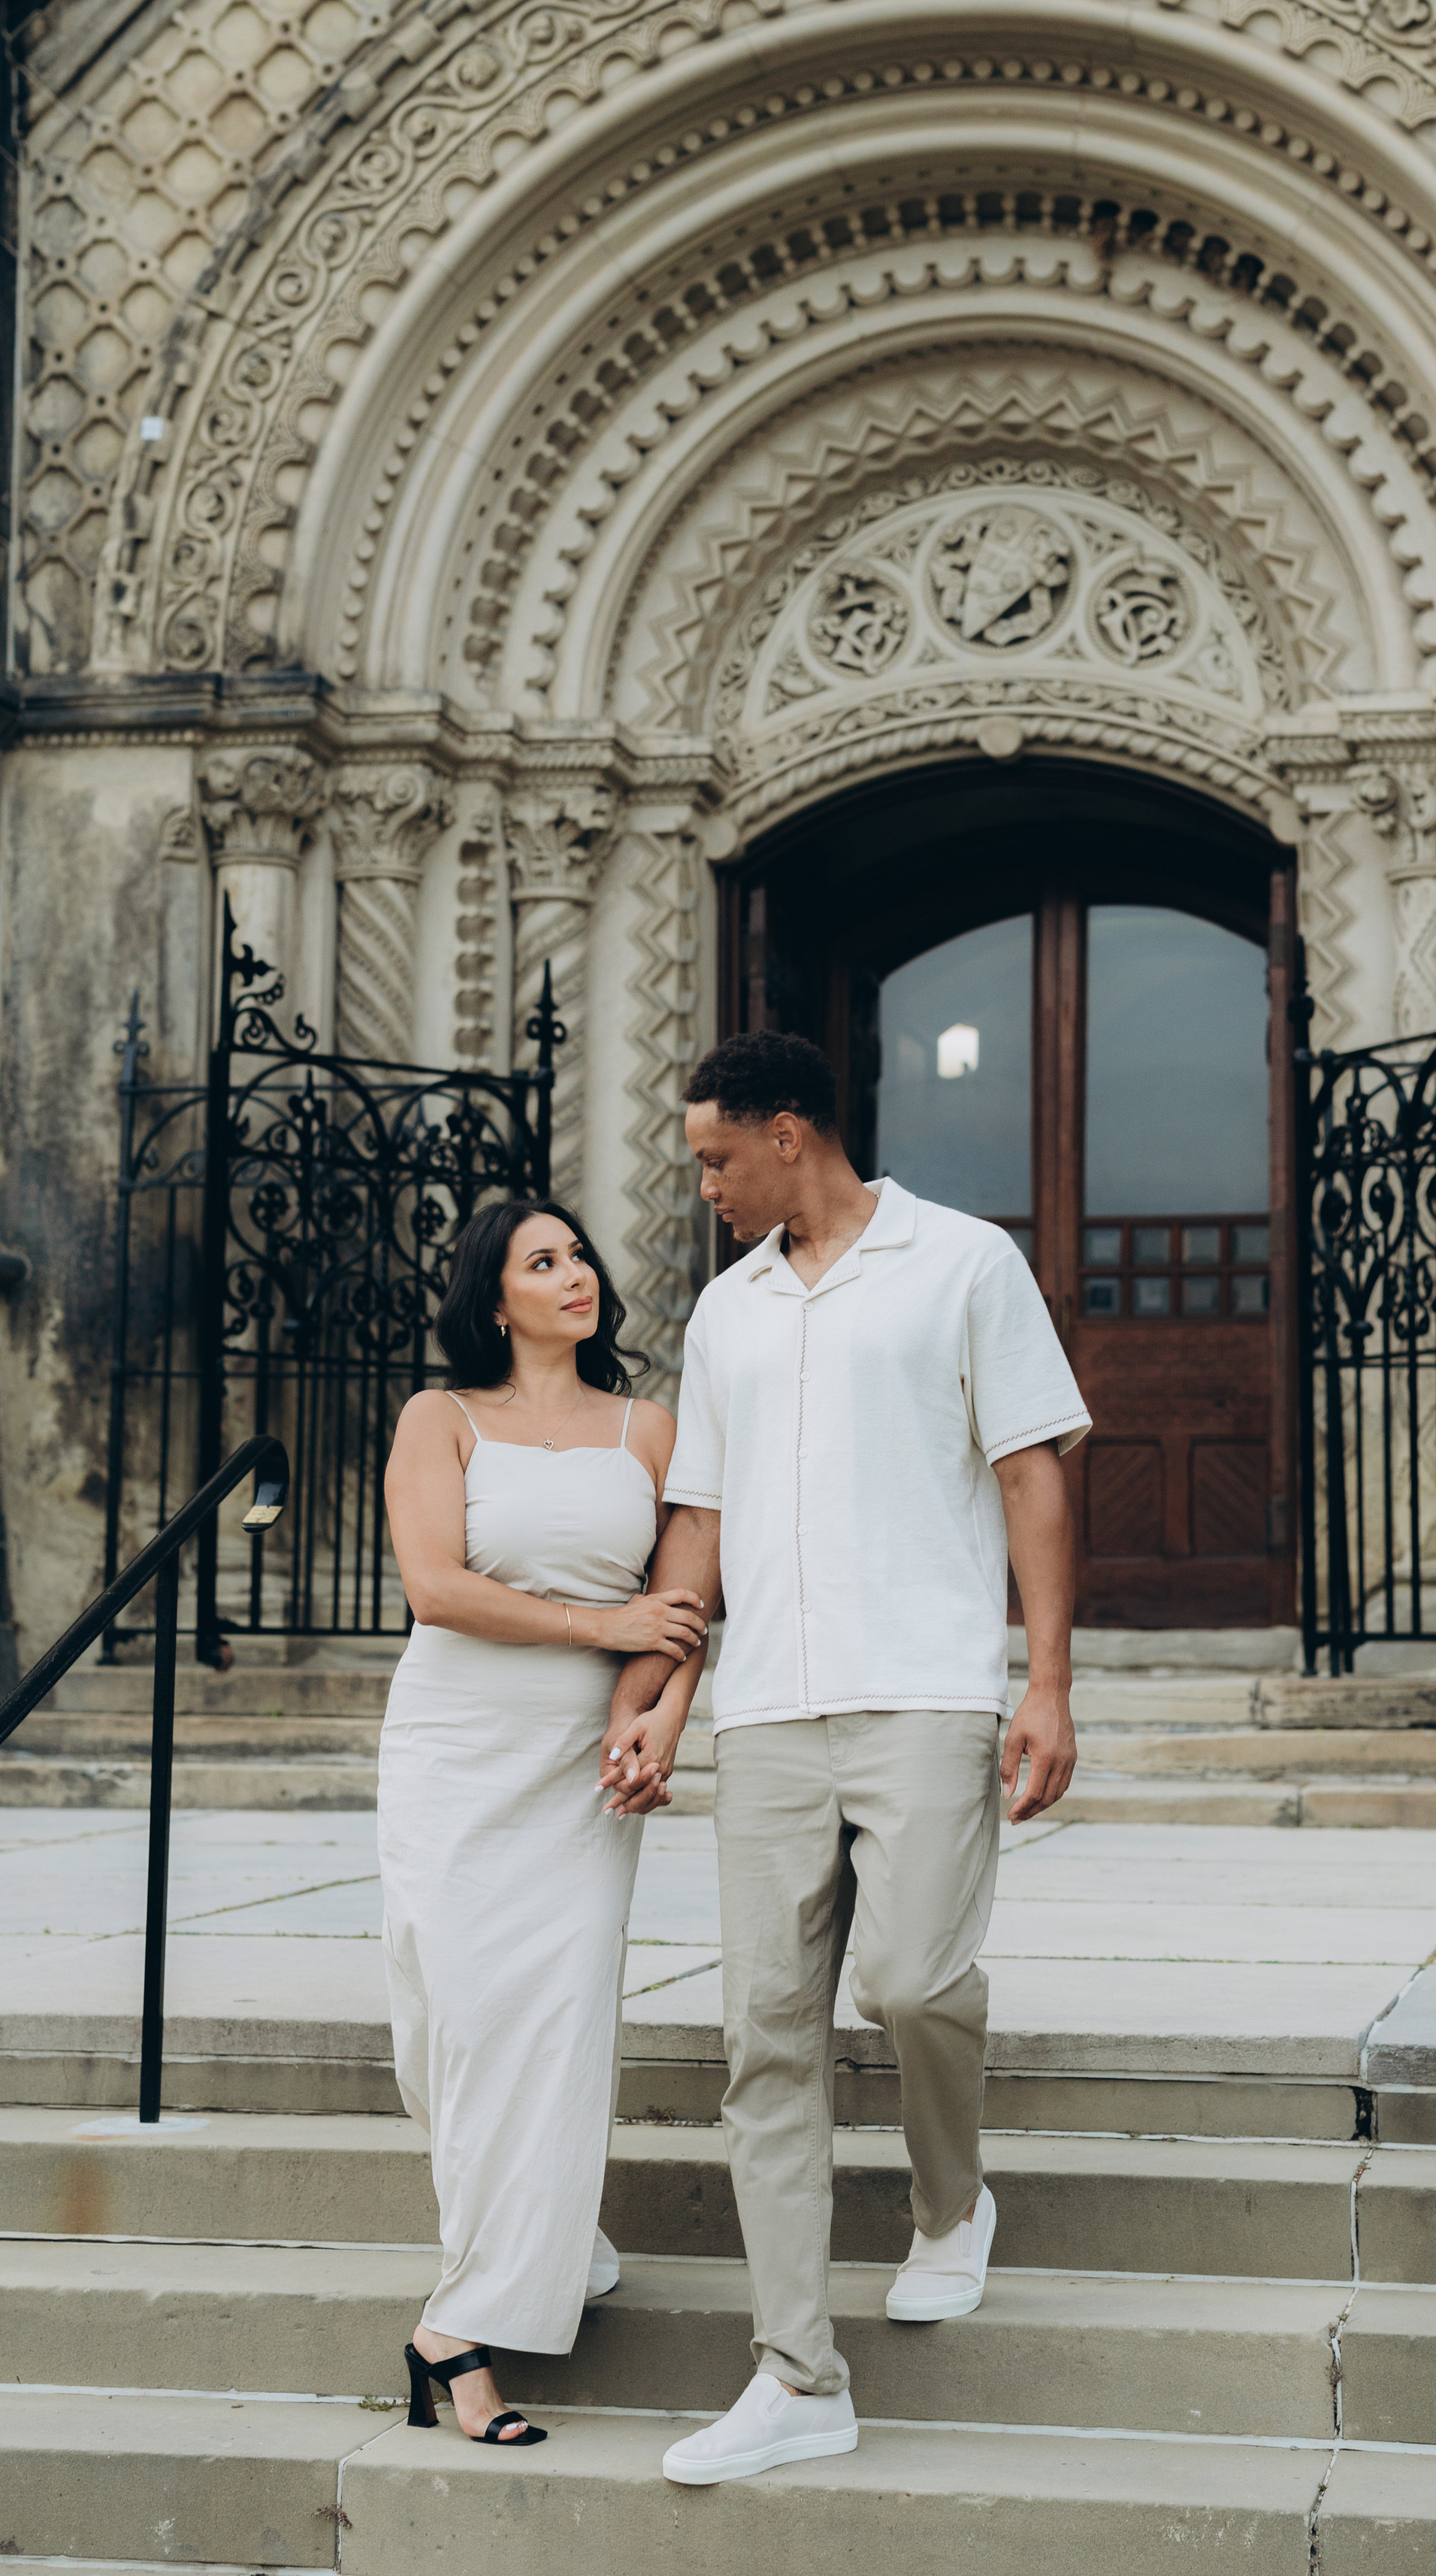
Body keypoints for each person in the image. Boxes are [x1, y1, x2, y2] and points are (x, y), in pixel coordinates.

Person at [595, 1031, 1090, 2487]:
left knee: (913, 1977)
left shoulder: (960, 1263)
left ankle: (951, 2207)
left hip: (925, 1688)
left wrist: (1045, 1681)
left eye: (713, 1159)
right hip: (763, 1712)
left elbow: (1029, 1469)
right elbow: (698, 1524)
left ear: (790, 1133)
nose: (702, 1189)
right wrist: (666, 1703)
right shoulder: (728, 1314)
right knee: (763, 2035)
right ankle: (796, 2372)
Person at [378, 1199, 707, 2447]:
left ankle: (458, 2332)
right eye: (542, 1261)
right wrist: (600, 1624)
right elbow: (437, 1589)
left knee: (556, 2021)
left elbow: (687, 1609)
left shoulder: (651, 1430)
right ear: (493, 1296)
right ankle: (541, 2233)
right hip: (456, 1745)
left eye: (578, 1256)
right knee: (453, 2024)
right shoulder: (441, 1418)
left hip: (585, 1759)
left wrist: (665, 1712)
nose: (575, 1276)